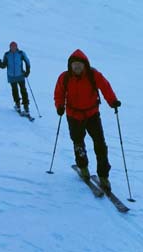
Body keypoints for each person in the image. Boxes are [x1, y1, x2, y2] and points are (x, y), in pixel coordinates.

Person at [54, 49, 121, 191]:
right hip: (73, 115)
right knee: (79, 144)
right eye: (74, 65)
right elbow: (59, 93)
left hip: (92, 114)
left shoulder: (93, 74)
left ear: (85, 65)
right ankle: (83, 166)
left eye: (79, 64)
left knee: (100, 145)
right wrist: (59, 106)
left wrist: (113, 101)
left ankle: (103, 176)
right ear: (70, 66)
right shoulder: (65, 77)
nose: (77, 67)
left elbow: (105, 87)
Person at [0, 41, 31, 115]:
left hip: (20, 75)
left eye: (14, 47)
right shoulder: (7, 55)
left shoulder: (21, 53)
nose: (13, 48)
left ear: (16, 47)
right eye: (11, 47)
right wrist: (0, 64)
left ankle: (26, 106)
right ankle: (17, 104)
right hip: (11, 76)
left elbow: (27, 61)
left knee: (23, 90)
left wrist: (27, 71)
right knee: (14, 90)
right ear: (10, 47)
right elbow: (4, 65)